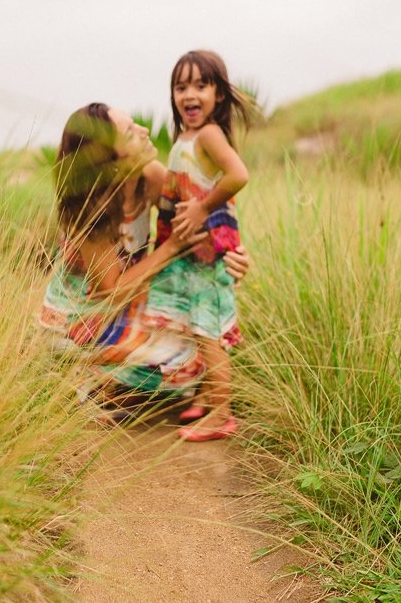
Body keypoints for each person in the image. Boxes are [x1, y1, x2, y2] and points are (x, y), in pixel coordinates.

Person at [38, 103, 249, 417]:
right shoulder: (89, 208)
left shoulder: (150, 176)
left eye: (136, 125)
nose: (145, 132)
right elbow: (110, 291)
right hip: (85, 314)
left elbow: (199, 218)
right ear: (109, 160)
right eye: (130, 134)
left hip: (134, 296)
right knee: (182, 358)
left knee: (205, 339)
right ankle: (99, 385)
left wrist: (233, 256)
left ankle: (119, 388)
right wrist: (172, 247)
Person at [145, 50, 253, 441]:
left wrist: (204, 207)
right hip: (192, 256)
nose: (189, 94)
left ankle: (222, 415)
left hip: (208, 256)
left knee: (209, 336)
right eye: (180, 86)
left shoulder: (209, 134)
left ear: (218, 95)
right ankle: (207, 397)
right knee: (196, 328)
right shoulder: (186, 138)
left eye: (200, 85)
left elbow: (238, 174)